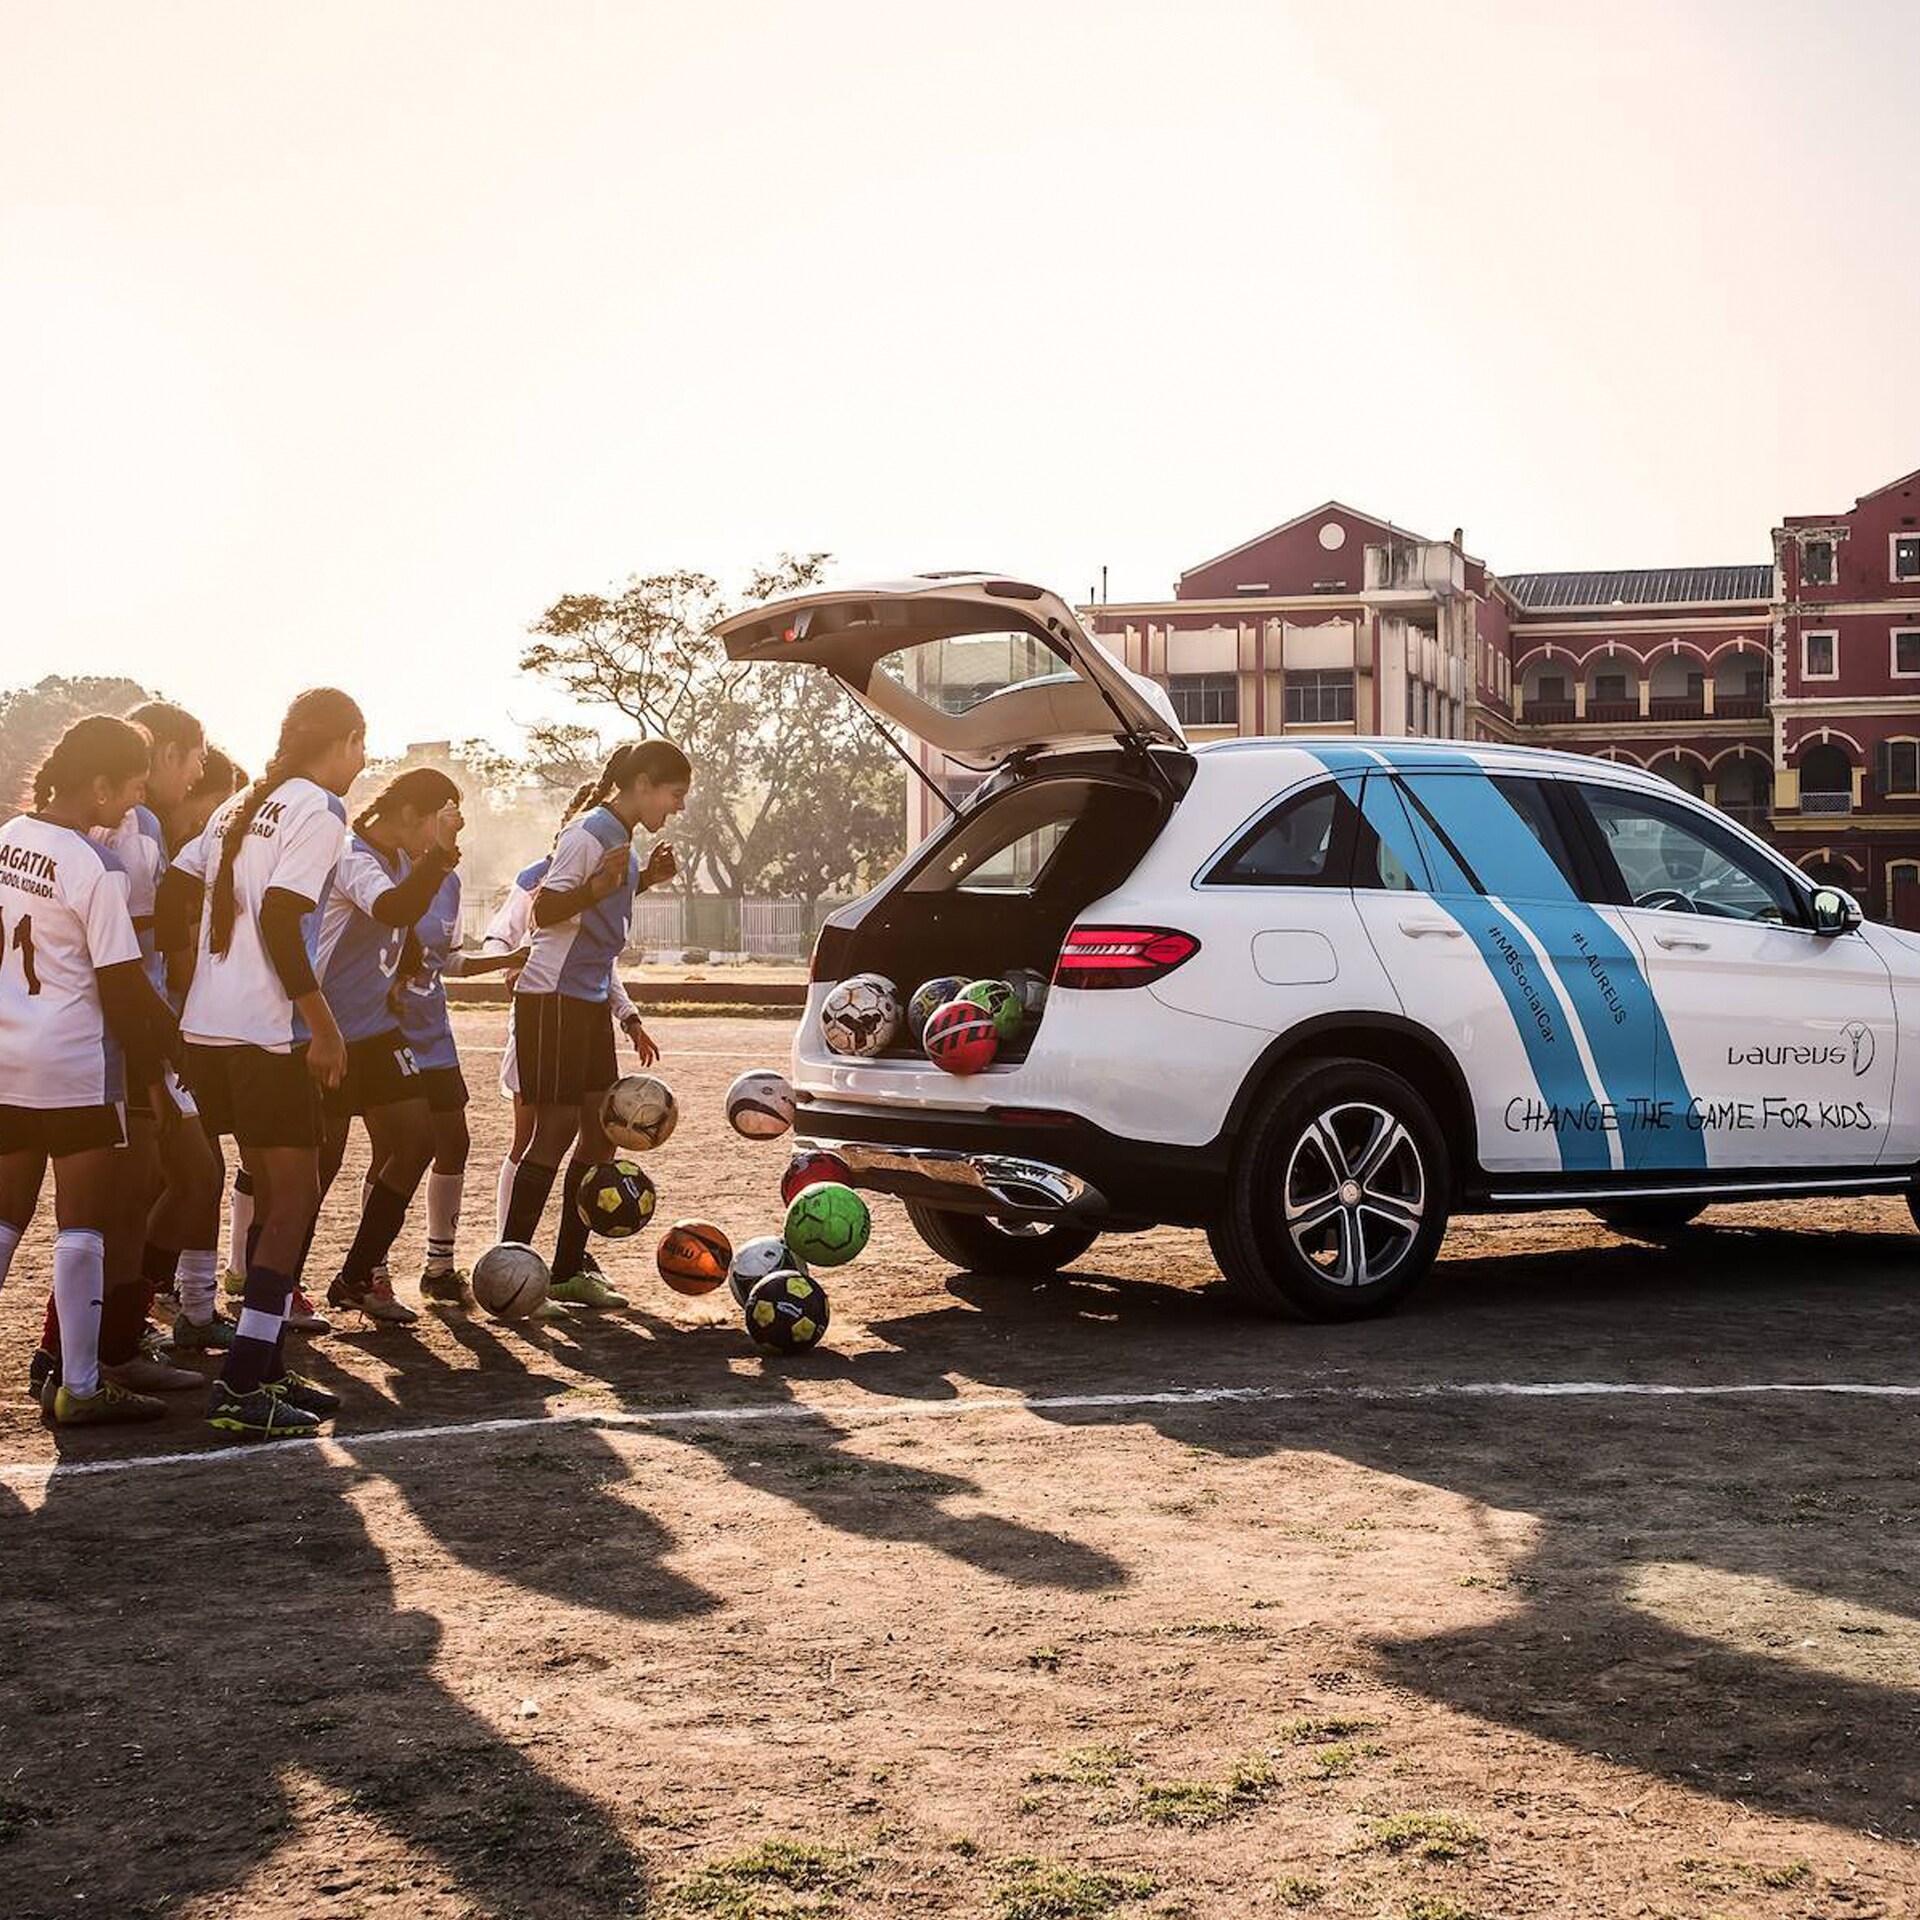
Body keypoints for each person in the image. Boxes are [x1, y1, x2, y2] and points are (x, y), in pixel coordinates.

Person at [175, 687, 366, 1438]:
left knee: (272, 1187)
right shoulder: (318, 808)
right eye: (362, 745)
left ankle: (268, 1356)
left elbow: (180, 881)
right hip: (266, 1033)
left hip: (208, 1028)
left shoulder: (239, 805)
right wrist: (323, 1025)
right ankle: (242, 1384)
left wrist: (194, 973)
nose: (363, 761)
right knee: (293, 1198)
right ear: (345, 740)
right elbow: (283, 916)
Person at [0, 716, 180, 1424]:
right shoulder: (93, 867)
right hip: (75, 1062)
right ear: (99, 785)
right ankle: (79, 1383)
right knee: (85, 1225)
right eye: (131, 788)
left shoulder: (6, 839)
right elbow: (124, 986)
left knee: (5, 1217)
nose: (135, 804)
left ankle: (78, 1377)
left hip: (7, 1056)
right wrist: (177, 1045)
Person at [498, 741, 686, 1306]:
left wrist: (643, 879)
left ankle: (564, 1270)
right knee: (552, 1134)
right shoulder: (588, 831)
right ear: (646, 782)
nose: (675, 808)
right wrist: (601, 887)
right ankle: (510, 1268)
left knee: (600, 1134)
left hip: (585, 998)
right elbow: (545, 912)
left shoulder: (622, 839)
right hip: (552, 998)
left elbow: (598, 911)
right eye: (674, 795)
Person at [309, 766, 462, 1324]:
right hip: (326, 1033)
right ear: (407, 815)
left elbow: (407, 934)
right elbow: (393, 910)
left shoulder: (400, 860)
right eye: (437, 824)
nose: (441, 839)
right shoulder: (353, 855)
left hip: (375, 1029)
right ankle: (273, 1291)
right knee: (317, 1168)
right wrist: (439, 859)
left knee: (417, 1139)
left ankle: (357, 1274)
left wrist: (399, 977)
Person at [384, 858, 524, 1307]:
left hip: (435, 1035)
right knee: (394, 1149)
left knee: (454, 1141)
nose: (457, 828)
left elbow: (447, 961)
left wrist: (508, 959)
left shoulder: (450, 882)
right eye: (447, 816)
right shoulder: (380, 871)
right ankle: (372, 1267)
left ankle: (439, 1267)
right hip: (387, 1030)